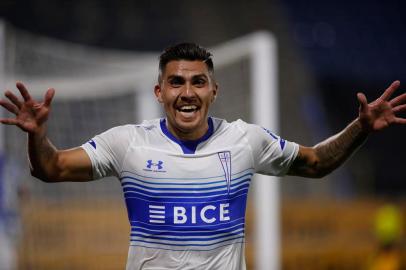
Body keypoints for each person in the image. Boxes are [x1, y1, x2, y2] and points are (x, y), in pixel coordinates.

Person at [0, 43, 405, 270]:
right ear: (160, 92)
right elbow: (50, 169)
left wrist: (361, 128)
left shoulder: (246, 139)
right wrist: (38, 137)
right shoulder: (127, 143)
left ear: (214, 91)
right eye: (176, 82)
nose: (187, 92)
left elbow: (316, 162)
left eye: (198, 82)